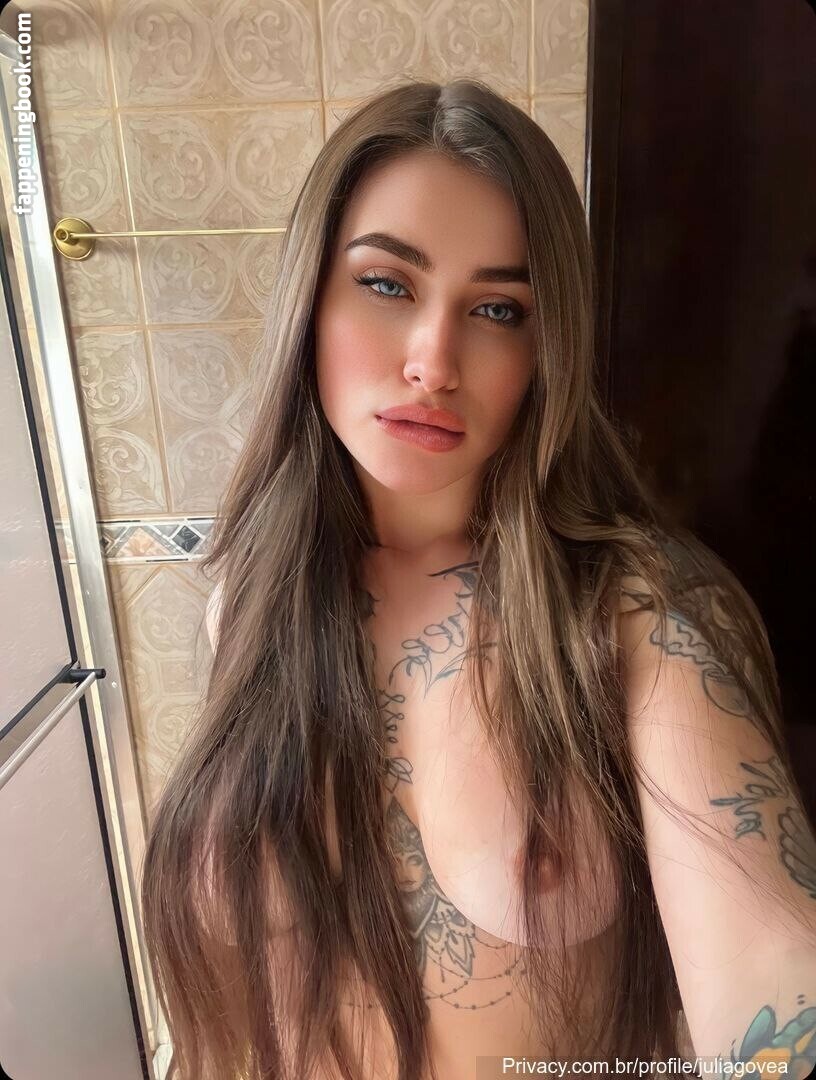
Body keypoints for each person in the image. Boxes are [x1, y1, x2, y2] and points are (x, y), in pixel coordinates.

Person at [140, 80, 816, 1080]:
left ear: (547, 352)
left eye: (498, 309)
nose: (434, 361)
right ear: (309, 298)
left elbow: (772, 965)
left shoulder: (636, 617)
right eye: (386, 284)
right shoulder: (250, 596)